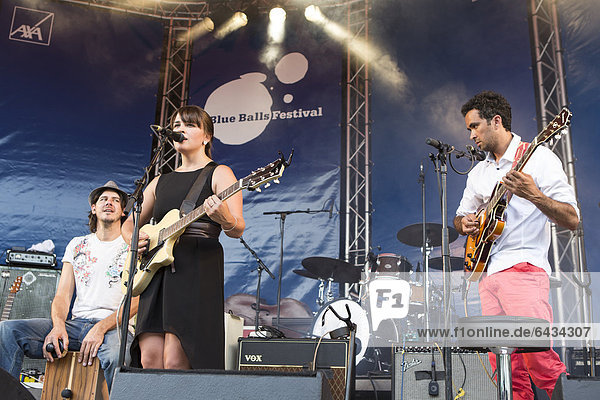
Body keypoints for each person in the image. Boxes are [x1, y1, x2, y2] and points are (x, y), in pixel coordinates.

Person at [454, 91, 580, 400]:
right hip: (487, 273)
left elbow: (573, 219)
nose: (471, 135)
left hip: (523, 269)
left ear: (496, 122)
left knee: (538, 358)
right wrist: (466, 224)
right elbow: (459, 218)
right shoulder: (479, 172)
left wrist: (534, 195)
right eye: (469, 129)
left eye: (475, 126)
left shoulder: (538, 157)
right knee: (505, 368)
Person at [122, 105, 244, 370]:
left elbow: (237, 228)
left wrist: (222, 216)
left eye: (189, 125)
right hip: (156, 270)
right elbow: (129, 224)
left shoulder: (220, 173)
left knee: (176, 358)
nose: (180, 130)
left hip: (195, 265)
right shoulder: (159, 181)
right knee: (149, 358)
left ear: (207, 136)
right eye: (176, 126)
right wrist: (135, 239)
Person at [0, 181, 138, 391]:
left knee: (114, 357)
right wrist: (58, 326)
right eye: (103, 199)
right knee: (8, 330)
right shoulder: (77, 244)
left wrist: (100, 328)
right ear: (93, 208)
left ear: (122, 212)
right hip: (76, 326)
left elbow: (137, 300)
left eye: (116, 200)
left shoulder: (134, 245)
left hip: (115, 328)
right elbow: (63, 295)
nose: (109, 203)